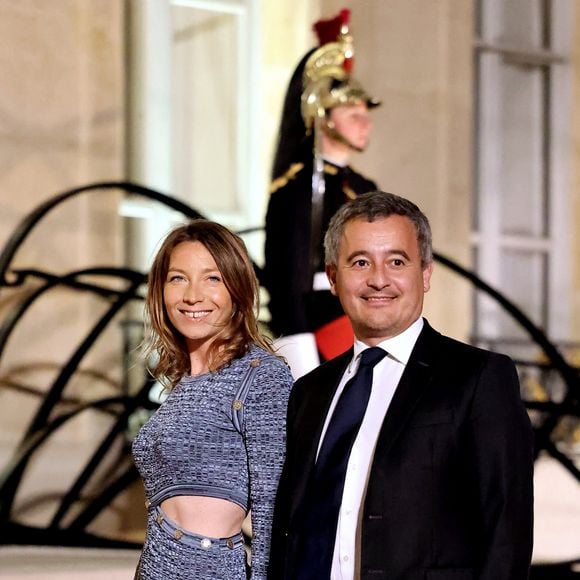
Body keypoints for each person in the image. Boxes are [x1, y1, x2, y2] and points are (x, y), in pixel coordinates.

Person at [269, 191, 534, 579]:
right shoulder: (309, 392)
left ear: (425, 273)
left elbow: (505, 534)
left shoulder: (479, 379)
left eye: (396, 261)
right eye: (360, 262)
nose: (379, 280)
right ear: (333, 278)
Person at [132, 220, 293, 580]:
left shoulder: (261, 376)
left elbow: (273, 509)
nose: (192, 295)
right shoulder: (182, 382)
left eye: (212, 278)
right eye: (178, 278)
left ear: (237, 288)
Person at [264, 9, 381, 367]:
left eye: (366, 113)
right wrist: (297, 344)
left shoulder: (364, 187)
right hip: (319, 326)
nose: (366, 124)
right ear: (325, 119)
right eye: (353, 114)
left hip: (366, 319)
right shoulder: (299, 186)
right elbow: (287, 273)